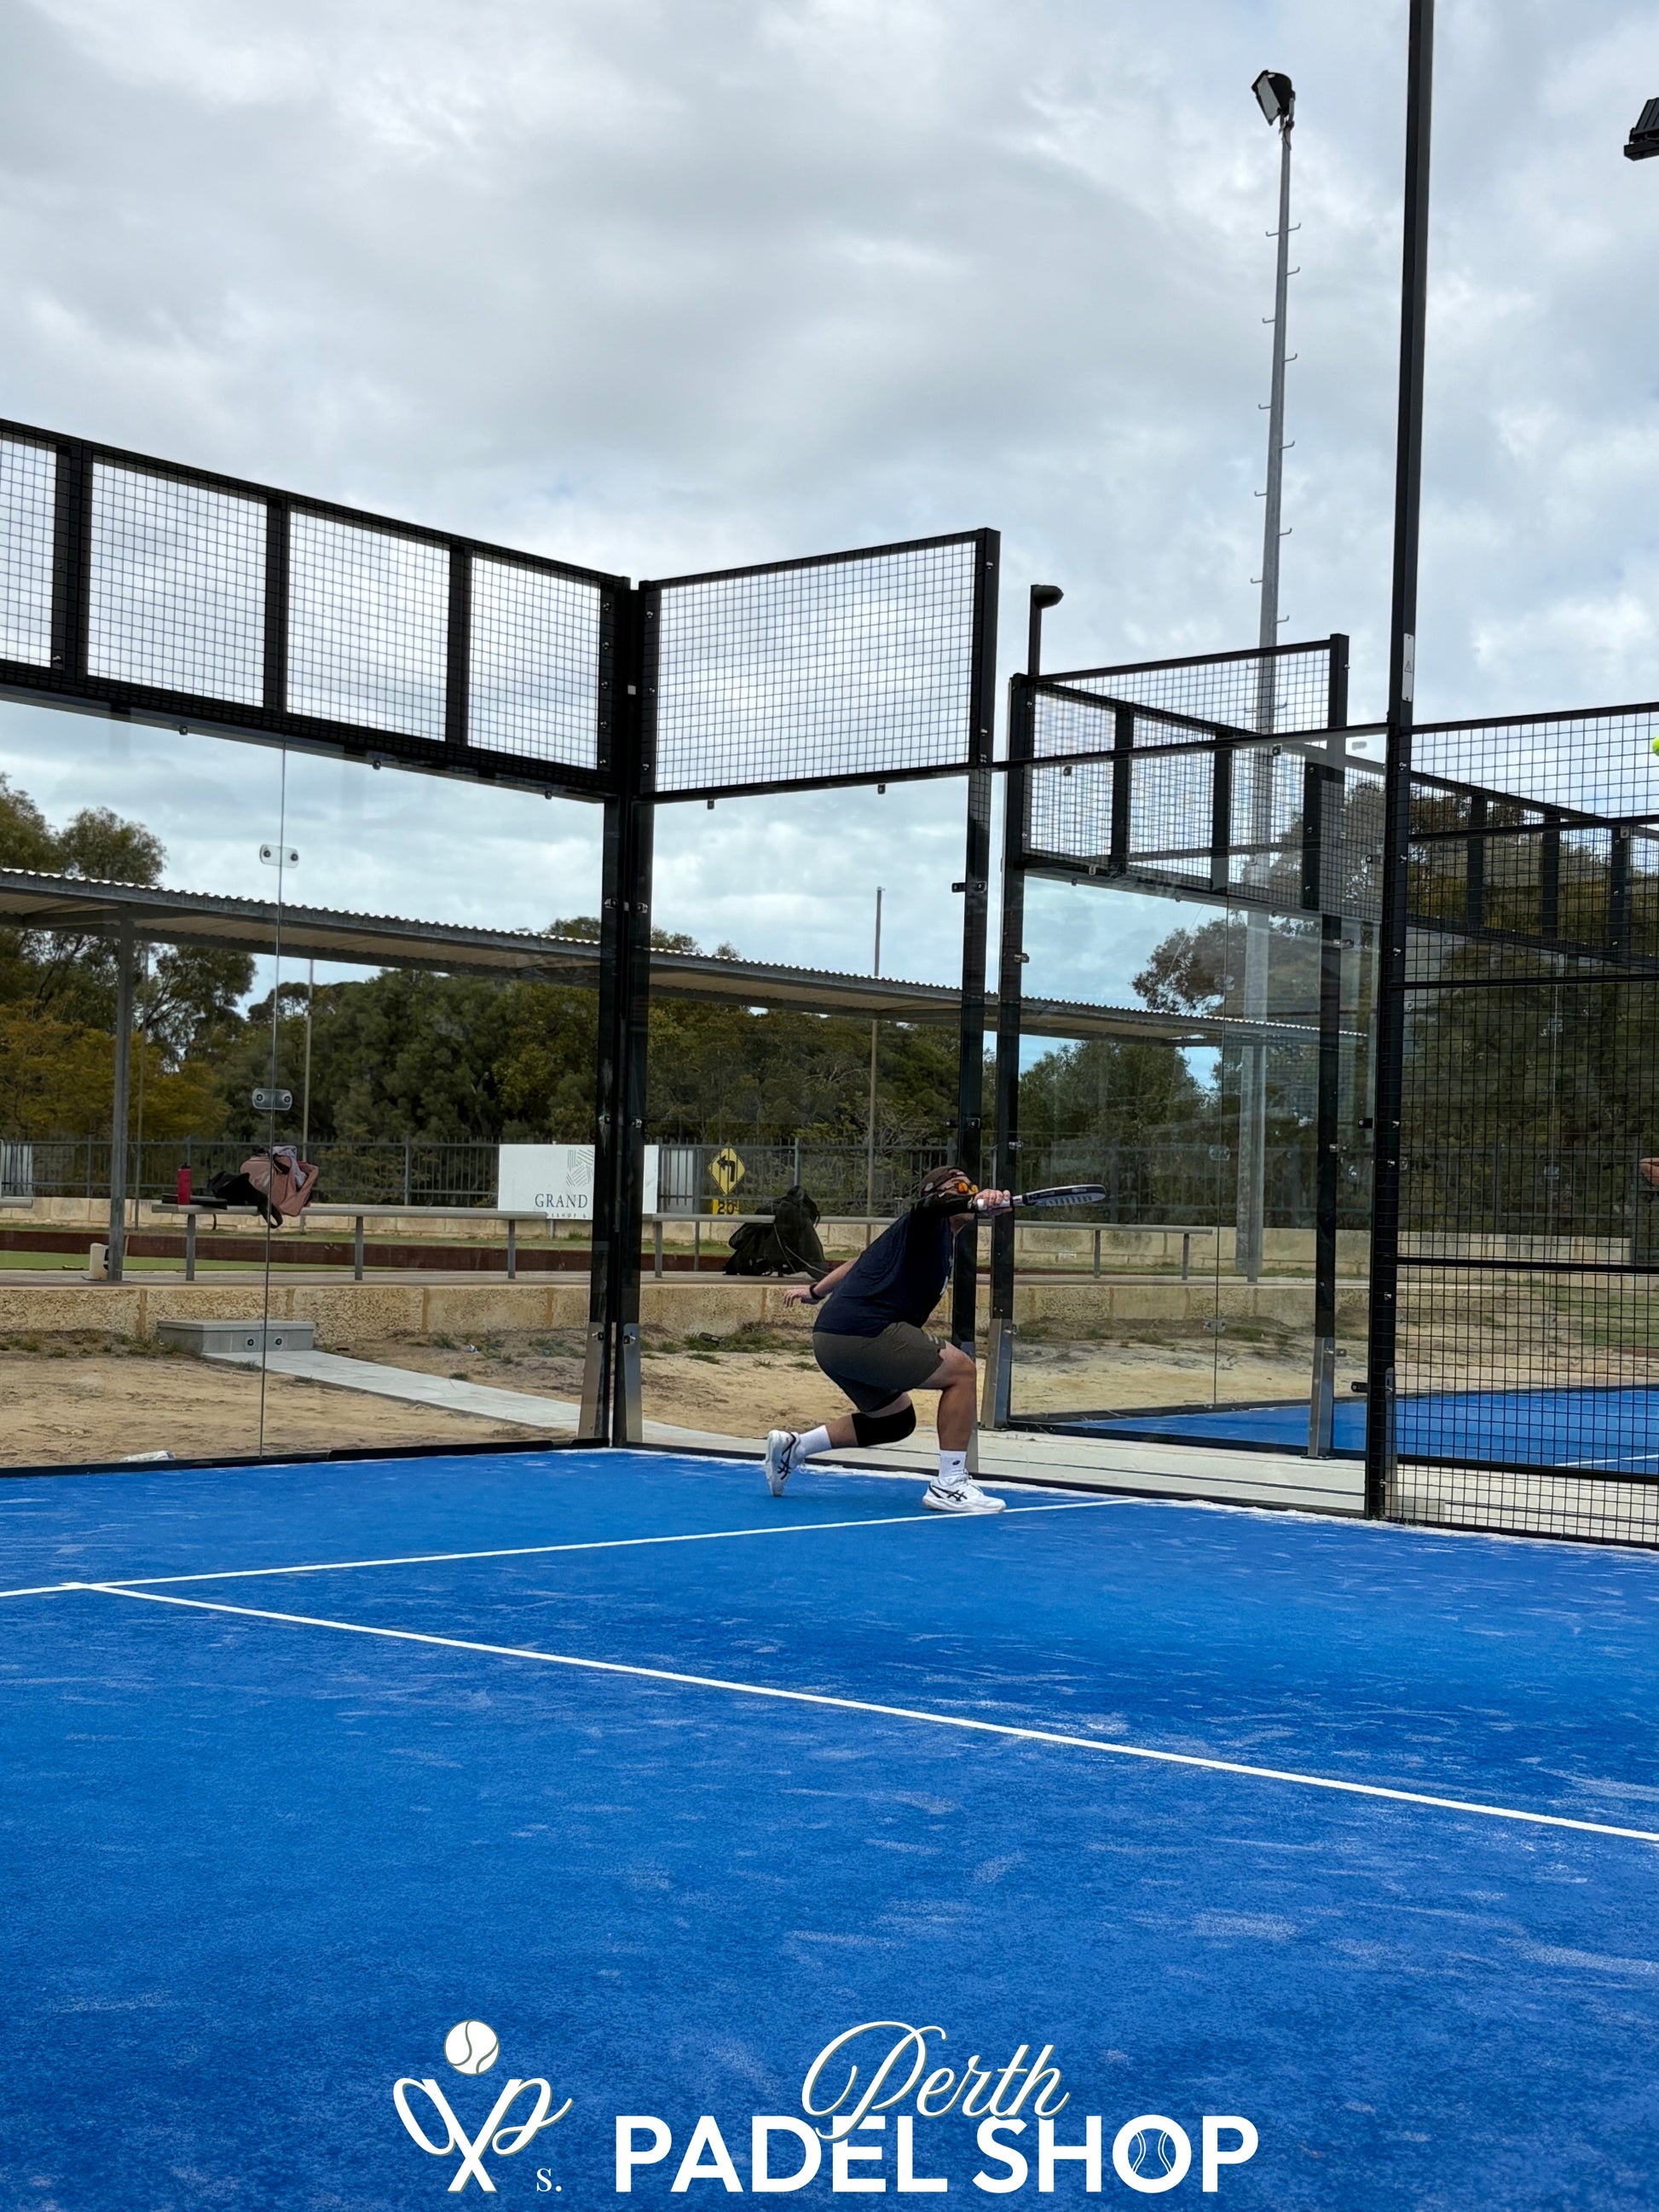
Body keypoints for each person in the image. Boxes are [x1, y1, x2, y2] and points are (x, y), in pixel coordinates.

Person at [764, 1164, 1011, 1516]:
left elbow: (859, 1261)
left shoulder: (928, 1240)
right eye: (959, 1188)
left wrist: (816, 1291)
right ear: (936, 1195)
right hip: (861, 1332)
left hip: (833, 1338)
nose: (968, 1192)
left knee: (895, 1421)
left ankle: (795, 1447)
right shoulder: (925, 1221)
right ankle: (950, 1485)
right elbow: (931, 1206)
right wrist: (976, 1201)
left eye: (972, 1187)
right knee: (961, 1371)